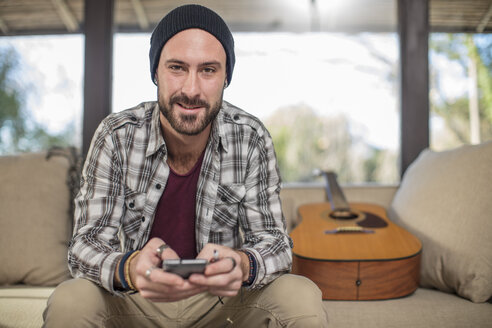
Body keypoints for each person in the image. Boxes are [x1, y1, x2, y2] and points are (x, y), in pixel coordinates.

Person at [43, 4, 327, 327]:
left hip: (222, 305)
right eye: (177, 67)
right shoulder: (116, 136)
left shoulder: (251, 138)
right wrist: (131, 267)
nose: (191, 90)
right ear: (155, 72)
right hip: (136, 300)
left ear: (225, 78)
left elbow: (275, 243)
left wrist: (242, 264)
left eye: (208, 70)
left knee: (300, 295)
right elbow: (84, 245)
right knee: (70, 299)